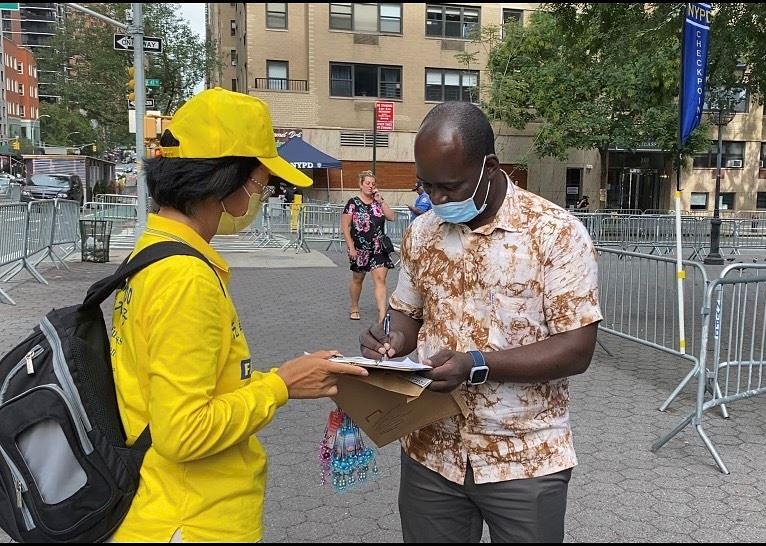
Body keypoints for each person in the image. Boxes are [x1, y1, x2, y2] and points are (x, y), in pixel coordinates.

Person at [109, 88, 368, 543]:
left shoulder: (154, 252)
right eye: (261, 182)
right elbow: (184, 433)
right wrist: (281, 385)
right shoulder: (184, 278)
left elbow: (187, 387)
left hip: (167, 504)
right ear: (227, 181)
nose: (260, 196)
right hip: (192, 520)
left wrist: (289, 376)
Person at [360, 102, 602, 543]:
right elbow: (409, 312)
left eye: (450, 187)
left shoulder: (555, 233)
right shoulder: (422, 232)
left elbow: (577, 348)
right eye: (426, 186)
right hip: (430, 452)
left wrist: (477, 364)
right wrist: (391, 341)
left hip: (524, 457)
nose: (437, 200)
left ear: (489, 167)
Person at [341, 170, 395, 322]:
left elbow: (391, 216)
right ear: (361, 185)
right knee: (358, 278)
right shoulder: (353, 203)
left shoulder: (378, 202)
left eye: (373, 183)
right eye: (367, 183)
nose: (371, 186)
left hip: (378, 248)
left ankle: (382, 315)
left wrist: (381, 200)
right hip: (359, 248)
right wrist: (350, 247)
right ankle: (354, 306)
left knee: (380, 279)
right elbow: (345, 226)